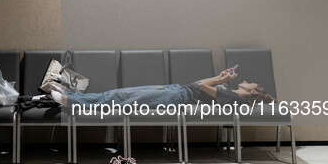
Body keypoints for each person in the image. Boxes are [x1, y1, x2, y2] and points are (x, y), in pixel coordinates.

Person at [49, 68, 277, 108]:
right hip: (175, 90)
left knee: (119, 100)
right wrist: (218, 77)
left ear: (254, 92)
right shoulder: (231, 93)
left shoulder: (234, 99)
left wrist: (218, 80)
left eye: (251, 83)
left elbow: (200, 86)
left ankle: (72, 102)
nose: (247, 81)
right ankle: (70, 97)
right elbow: (200, 86)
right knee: (118, 93)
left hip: (176, 97)